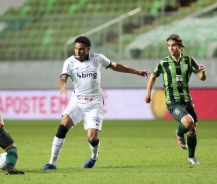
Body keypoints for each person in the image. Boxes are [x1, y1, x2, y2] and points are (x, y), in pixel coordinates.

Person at [41, 36, 149, 170]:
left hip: (95, 103)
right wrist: (62, 84)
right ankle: (52, 163)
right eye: (75, 49)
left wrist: (137, 71)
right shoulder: (69, 62)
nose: (77, 52)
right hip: (77, 101)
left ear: (88, 49)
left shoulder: (98, 59)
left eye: (81, 49)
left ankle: (94, 155)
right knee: (63, 126)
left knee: (92, 138)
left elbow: (116, 66)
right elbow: (63, 77)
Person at [144, 34, 206, 164]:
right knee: (188, 123)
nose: (171, 48)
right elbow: (153, 77)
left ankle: (191, 157)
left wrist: (203, 71)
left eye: (173, 45)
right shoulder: (164, 63)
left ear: (180, 46)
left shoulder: (189, 61)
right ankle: (178, 133)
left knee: (192, 129)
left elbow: (201, 77)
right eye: (169, 46)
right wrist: (148, 93)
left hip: (186, 100)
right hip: (172, 101)